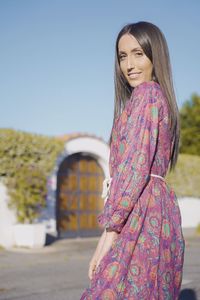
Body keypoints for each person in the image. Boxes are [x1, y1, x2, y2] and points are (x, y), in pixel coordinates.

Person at [80, 21, 185, 299]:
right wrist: (107, 234)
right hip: (152, 210)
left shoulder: (147, 95)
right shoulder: (154, 98)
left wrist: (109, 236)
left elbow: (135, 168)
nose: (129, 65)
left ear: (155, 56)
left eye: (138, 53)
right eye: (123, 56)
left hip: (142, 211)